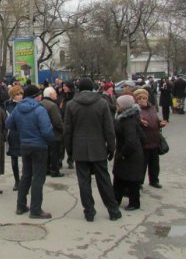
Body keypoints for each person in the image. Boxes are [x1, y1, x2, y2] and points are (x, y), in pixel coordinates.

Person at [63, 78, 122, 222]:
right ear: (93, 88)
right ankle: (113, 210)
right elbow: (109, 128)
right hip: (98, 147)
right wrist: (111, 147)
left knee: (84, 181)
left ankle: (89, 211)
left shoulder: (71, 105)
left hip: (79, 148)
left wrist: (69, 150)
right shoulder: (102, 103)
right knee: (104, 179)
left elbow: (67, 131)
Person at [6, 85, 54, 219]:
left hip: (25, 145)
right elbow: (46, 131)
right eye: (39, 95)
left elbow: (9, 124)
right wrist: (51, 141)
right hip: (39, 146)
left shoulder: (18, 108)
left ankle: (20, 206)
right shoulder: (39, 110)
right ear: (36, 96)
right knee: (38, 177)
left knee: (26, 175)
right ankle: (36, 210)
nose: (40, 96)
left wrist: (22, 131)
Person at [112, 95, 146, 210]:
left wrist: (123, 154)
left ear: (123, 106)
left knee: (131, 179)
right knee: (120, 178)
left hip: (130, 155)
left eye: (118, 104)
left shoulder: (128, 120)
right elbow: (141, 135)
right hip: (129, 153)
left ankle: (134, 203)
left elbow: (131, 140)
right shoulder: (127, 117)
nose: (116, 106)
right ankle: (115, 199)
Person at [134, 88, 167, 189]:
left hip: (154, 140)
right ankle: (139, 182)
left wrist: (160, 123)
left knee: (154, 164)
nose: (142, 100)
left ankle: (154, 180)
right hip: (143, 142)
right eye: (140, 98)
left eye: (144, 98)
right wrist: (139, 122)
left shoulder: (152, 108)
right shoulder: (135, 110)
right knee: (141, 165)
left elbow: (155, 119)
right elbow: (132, 124)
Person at [40, 87, 65, 178]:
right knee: (55, 153)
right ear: (50, 95)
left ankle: (46, 170)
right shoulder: (53, 105)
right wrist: (64, 129)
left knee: (47, 153)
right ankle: (54, 171)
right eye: (55, 93)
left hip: (44, 133)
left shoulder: (41, 103)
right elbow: (57, 121)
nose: (56, 95)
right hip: (54, 133)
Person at [4, 85, 24, 191]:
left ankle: (24, 179)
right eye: (17, 94)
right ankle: (17, 181)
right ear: (12, 95)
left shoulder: (25, 104)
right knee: (14, 159)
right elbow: (4, 119)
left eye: (21, 94)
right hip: (12, 135)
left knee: (26, 159)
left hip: (24, 134)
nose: (20, 96)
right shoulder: (7, 105)